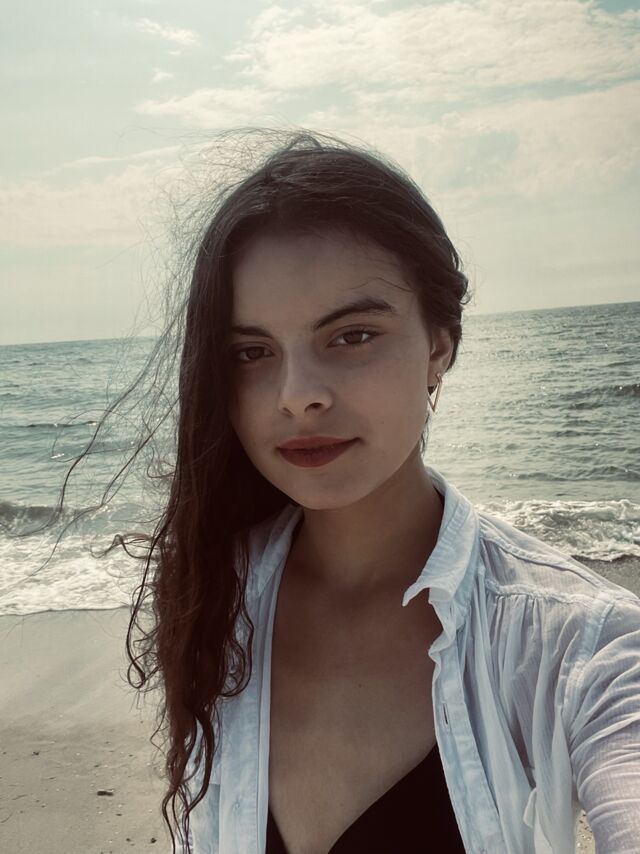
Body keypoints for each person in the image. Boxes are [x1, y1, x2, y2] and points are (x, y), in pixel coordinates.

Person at [112, 131, 640, 853]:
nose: (297, 395)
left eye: (352, 336)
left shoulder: (574, 641)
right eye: (251, 352)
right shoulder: (215, 595)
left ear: (439, 344)